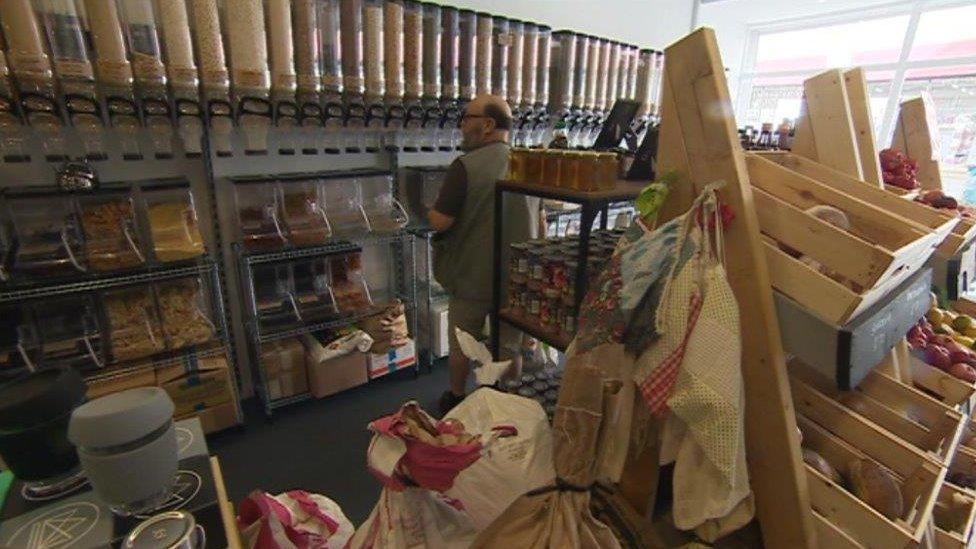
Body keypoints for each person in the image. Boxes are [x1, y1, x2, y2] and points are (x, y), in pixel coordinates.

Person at [428, 94, 538, 415]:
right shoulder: (529, 164)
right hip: (518, 278)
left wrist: (426, 210)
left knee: (464, 340)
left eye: (467, 118)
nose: (462, 125)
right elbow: (540, 220)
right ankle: (508, 404)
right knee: (509, 346)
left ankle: (458, 397)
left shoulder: (464, 167)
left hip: (471, 276)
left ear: (488, 125)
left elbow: (441, 220)